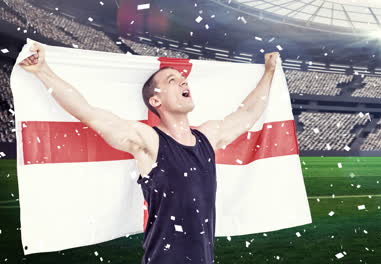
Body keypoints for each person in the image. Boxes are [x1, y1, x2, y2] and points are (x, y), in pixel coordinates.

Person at [19, 42, 279, 264]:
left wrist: (269, 72)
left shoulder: (208, 137)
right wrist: (43, 71)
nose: (183, 81)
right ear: (156, 101)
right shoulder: (149, 142)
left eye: (183, 78)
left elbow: (247, 114)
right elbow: (87, 112)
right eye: (172, 80)